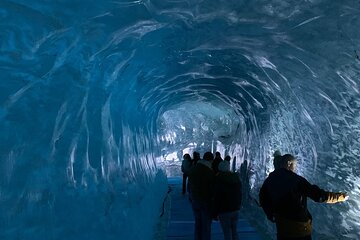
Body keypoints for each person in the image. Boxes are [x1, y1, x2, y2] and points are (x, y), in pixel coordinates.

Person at [259, 152, 349, 240]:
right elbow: (318, 196)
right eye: (295, 165)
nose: (295, 169)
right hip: (299, 232)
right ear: (289, 163)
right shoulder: (295, 180)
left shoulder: (269, 181)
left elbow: (263, 199)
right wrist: (340, 197)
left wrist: (270, 215)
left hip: (282, 232)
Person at [188, 151, 215, 240]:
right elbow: (212, 189)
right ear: (211, 160)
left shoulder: (194, 169)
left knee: (198, 224)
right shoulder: (209, 172)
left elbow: (189, 184)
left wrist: (191, 196)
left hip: (195, 200)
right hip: (205, 201)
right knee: (206, 226)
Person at [212, 160, 242, 240]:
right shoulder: (236, 178)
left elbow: (217, 198)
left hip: (224, 210)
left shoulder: (218, 180)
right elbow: (239, 193)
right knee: (234, 231)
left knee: (227, 232)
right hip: (235, 209)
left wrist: (214, 213)